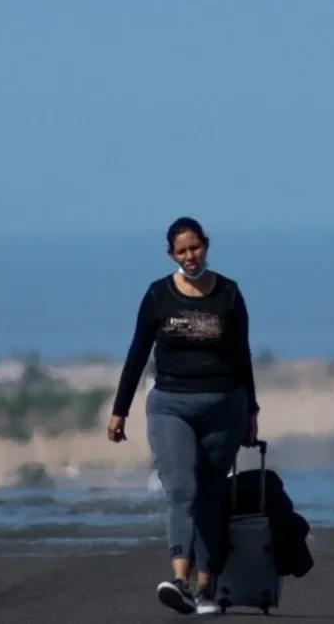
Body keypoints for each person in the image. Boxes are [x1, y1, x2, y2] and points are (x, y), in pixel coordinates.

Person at [107, 216, 260, 616]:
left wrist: (252, 411)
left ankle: (206, 586)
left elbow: (243, 356)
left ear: (206, 246)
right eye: (182, 251)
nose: (190, 256)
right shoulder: (158, 295)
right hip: (171, 404)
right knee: (182, 489)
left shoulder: (229, 293)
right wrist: (119, 410)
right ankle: (179, 578)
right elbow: (137, 354)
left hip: (224, 406)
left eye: (195, 248)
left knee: (210, 492)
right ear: (171, 254)